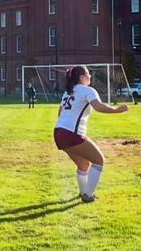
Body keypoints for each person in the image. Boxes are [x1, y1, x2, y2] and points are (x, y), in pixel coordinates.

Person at [54, 66, 128, 203]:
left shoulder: (67, 92)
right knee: (99, 160)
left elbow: (60, 114)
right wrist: (118, 110)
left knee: (83, 164)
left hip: (58, 132)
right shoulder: (88, 90)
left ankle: (83, 193)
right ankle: (88, 195)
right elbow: (99, 107)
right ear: (82, 78)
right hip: (70, 133)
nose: (91, 77)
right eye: (88, 74)